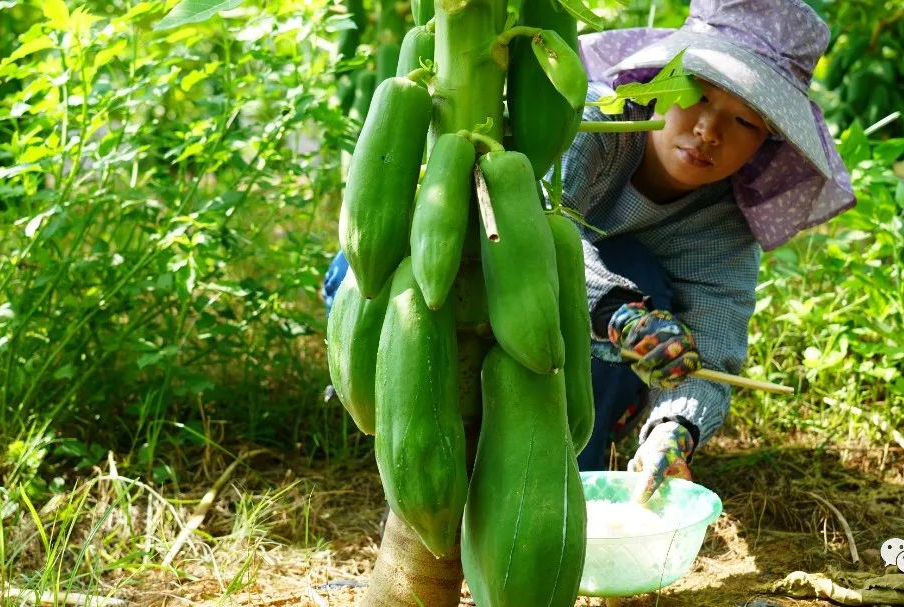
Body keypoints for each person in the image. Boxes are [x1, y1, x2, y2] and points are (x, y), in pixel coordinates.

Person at [324, 0, 855, 502]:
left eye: (745, 121)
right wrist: (613, 309)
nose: (707, 130)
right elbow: (524, 229)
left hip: (582, 360)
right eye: (698, 93)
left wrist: (676, 428)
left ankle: (575, 462)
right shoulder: (597, 127)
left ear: (769, 143)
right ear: (657, 84)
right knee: (375, 266)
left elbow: (710, 348)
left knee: (641, 278)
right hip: (474, 285)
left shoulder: (725, 223)